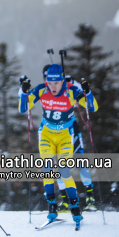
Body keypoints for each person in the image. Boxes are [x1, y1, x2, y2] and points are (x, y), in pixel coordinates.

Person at [18, 64, 98, 223]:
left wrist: (88, 93)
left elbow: (92, 107)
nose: (52, 86)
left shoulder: (71, 91)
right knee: (47, 169)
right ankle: (52, 205)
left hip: (64, 137)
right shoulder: (42, 89)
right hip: (46, 135)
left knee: (64, 171)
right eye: (49, 82)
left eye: (56, 82)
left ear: (62, 80)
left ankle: (75, 207)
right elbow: (23, 108)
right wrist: (24, 93)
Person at [40, 65, 97, 212]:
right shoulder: (45, 90)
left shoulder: (68, 85)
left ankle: (90, 197)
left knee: (79, 160)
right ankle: (65, 199)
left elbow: (82, 97)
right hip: (52, 133)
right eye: (46, 77)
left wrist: (79, 86)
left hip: (70, 131)